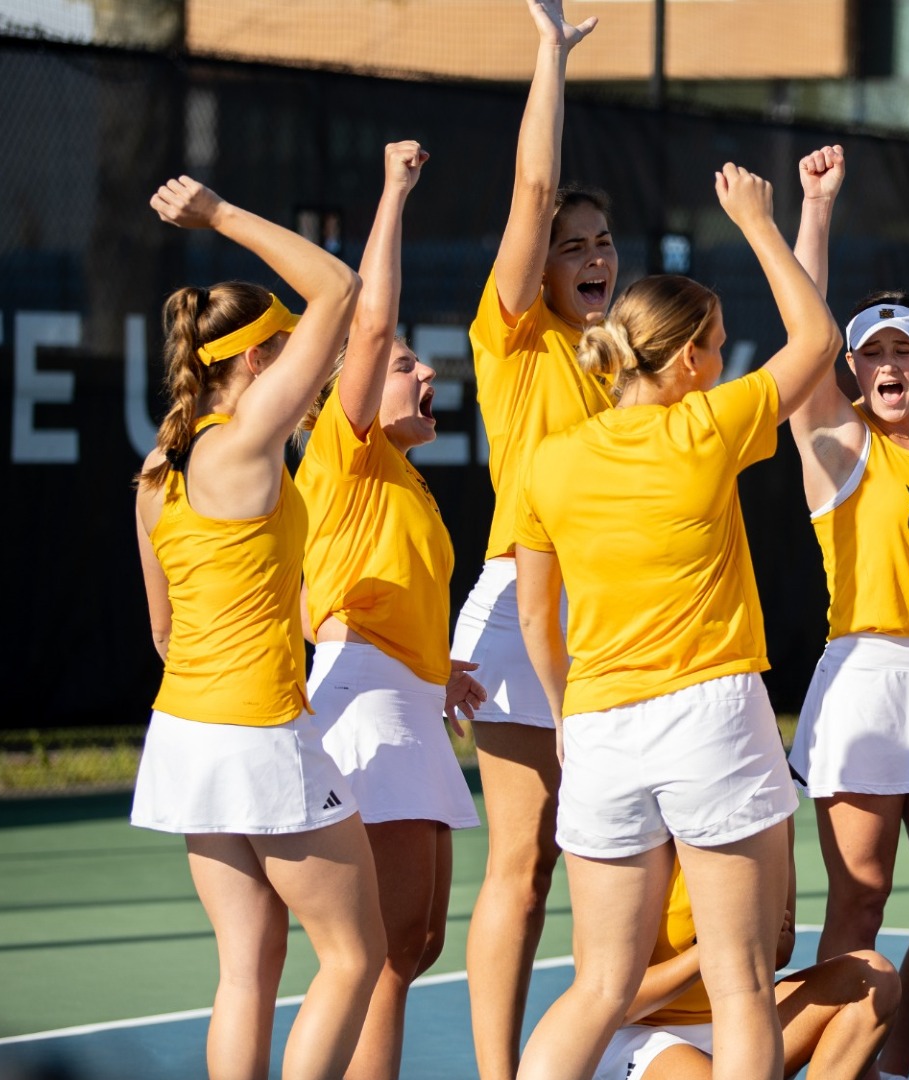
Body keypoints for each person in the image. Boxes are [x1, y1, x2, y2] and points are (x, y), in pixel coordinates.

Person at [510, 162, 842, 1080]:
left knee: (601, 986)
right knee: (740, 982)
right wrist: (758, 222)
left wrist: (567, 716)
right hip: (708, 715)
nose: (727, 363)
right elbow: (817, 335)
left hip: (602, 726)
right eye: (721, 347)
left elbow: (538, 618)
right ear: (691, 358)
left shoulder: (551, 462)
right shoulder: (706, 428)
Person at [130, 177, 382, 1080]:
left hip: (186, 730)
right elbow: (341, 291)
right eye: (290, 350)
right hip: (255, 730)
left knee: (249, 966)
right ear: (260, 363)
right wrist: (220, 216)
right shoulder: (242, 445)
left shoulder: (157, 468)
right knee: (356, 956)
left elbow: (163, 631)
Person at [782, 143, 909, 1080]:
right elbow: (802, 331)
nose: (886, 363)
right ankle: (840, 1066)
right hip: (867, 677)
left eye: (902, 347)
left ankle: (898, 1065)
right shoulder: (831, 439)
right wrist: (815, 210)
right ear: (853, 368)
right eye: (870, 352)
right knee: (858, 903)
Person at [294, 140, 486, 1080]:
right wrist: (393, 194)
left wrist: (433, 668)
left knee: (408, 948)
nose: (426, 374)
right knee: (378, 958)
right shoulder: (346, 449)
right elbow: (366, 327)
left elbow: (365, 588)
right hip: (365, 705)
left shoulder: (401, 484)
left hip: (401, 700)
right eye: (409, 363)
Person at [449, 3, 615, 1075]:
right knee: (522, 862)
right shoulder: (512, 338)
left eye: (604, 244)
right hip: (520, 606)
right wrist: (549, 56)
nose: (590, 256)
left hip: (611, 622)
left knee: (596, 855)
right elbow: (533, 189)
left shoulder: (622, 367)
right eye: (572, 245)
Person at [590, 824, 901, 1080]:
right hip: (641, 1032)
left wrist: (772, 941)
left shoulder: (772, 817)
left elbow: (778, 955)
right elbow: (613, 1004)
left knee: (876, 979)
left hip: (742, 1016)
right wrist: (720, 947)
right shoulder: (635, 830)